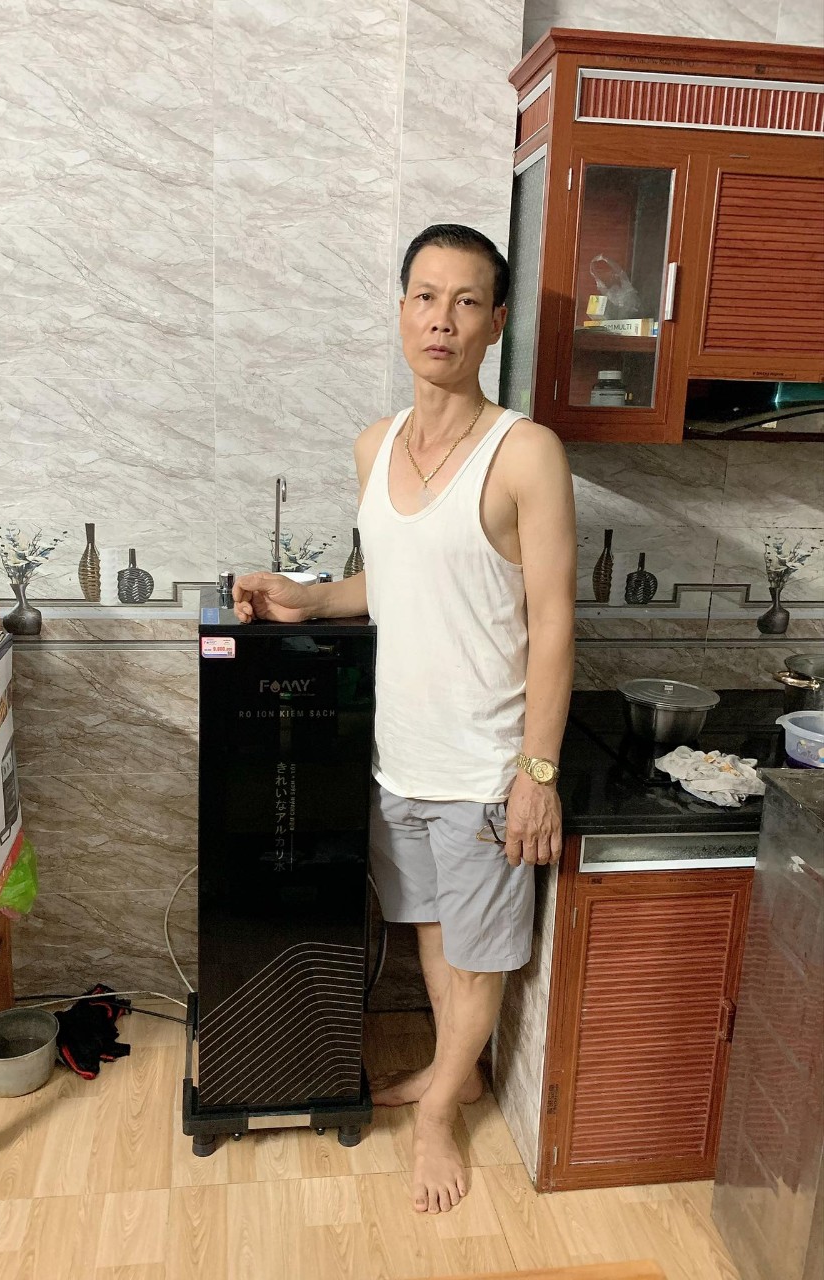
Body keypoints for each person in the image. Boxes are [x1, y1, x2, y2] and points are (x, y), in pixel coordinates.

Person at [232, 223, 577, 1215]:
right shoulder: (372, 445)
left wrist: (535, 772)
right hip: (394, 758)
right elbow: (388, 582)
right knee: (429, 928)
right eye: (425, 296)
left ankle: (435, 1116)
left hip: (484, 765)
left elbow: (554, 621)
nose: (441, 319)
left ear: (494, 323)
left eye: (465, 301)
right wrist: (304, 597)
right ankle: (452, 1073)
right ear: (399, 311)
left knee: (475, 955)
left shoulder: (524, 452)